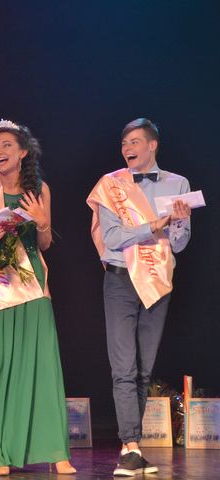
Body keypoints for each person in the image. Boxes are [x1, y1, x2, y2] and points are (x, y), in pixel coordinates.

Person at [0, 119, 75, 476]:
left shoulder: (39, 189)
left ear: (22, 152)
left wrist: (41, 221)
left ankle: (54, 449)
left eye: (6, 145)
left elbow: (45, 243)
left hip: (33, 284)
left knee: (40, 365)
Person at [87, 118, 191, 477]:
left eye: (134, 141)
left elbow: (179, 243)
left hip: (157, 282)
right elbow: (113, 238)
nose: (127, 148)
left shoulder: (178, 184)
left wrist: (178, 223)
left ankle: (132, 450)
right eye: (123, 143)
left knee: (144, 371)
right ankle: (129, 445)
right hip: (120, 281)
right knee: (124, 368)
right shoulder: (111, 185)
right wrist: (155, 225)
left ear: (152, 145)